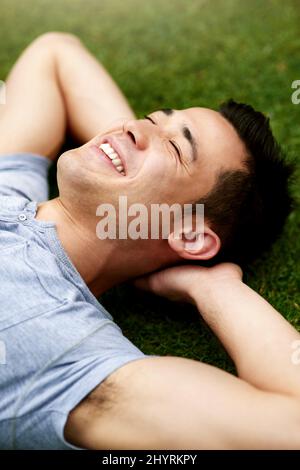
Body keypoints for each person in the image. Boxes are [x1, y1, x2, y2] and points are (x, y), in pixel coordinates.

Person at [0, 32, 298, 450]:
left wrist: (215, 288)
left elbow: (292, 425)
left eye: (176, 148)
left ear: (191, 234)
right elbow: (56, 53)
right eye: (153, 119)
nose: (132, 126)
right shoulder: (8, 180)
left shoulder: (69, 358)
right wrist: (126, 153)